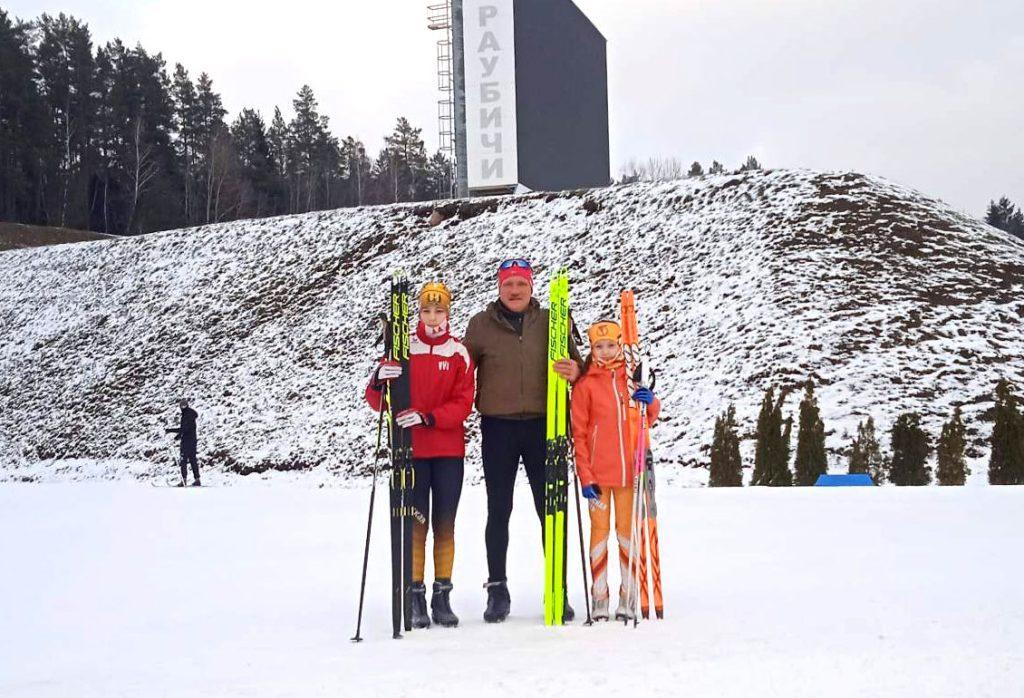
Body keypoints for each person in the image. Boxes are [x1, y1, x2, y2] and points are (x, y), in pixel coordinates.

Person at [463, 259, 582, 623]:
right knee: (499, 509)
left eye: (521, 284)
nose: (514, 291)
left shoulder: (554, 321)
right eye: (508, 284)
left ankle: (556, 588)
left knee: (551, 510)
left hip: (544, 426)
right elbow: (459, 370)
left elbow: (579, 366)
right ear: (499, 288)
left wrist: (576, 371)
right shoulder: (480, 325)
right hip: (497, 427)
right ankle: (497, 589)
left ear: (532, 288)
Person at [365, 281, 474, 629]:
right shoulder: (402, 347)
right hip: (410, 449)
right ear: (418, 313)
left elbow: (464, 402)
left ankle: (442, 595)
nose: (432, 317)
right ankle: (414, 595)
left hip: (447, 450)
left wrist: (429, 417)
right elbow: (378, 401)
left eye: (439, 310)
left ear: (448, 313)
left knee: (444, 524)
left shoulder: (459, 352)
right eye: (426, 310)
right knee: (415, 524)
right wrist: (378, 379)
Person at [571, 320, 660, 621]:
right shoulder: (585, 385)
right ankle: (599, 596)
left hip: (629, 474)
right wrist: (585, 475)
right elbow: (579, 434)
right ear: (592, 349)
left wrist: (652, 401)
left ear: (620, 345)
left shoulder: (632, 378)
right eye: (599, 346)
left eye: (611, 345)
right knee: (599, 534)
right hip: (597, 475)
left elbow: (645, 418)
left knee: (626, 534)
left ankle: (628, 593)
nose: (606, 351)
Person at [166, 398, 201, 486]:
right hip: (193, 441)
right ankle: (197, 479)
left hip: (186, 441)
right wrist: (171, 431)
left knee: (183, 460)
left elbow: (184, 429)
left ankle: (183, 480)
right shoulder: (191, 415)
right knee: (193, 460)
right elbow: (186, 428)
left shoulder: (186, 415)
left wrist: (176, 436)